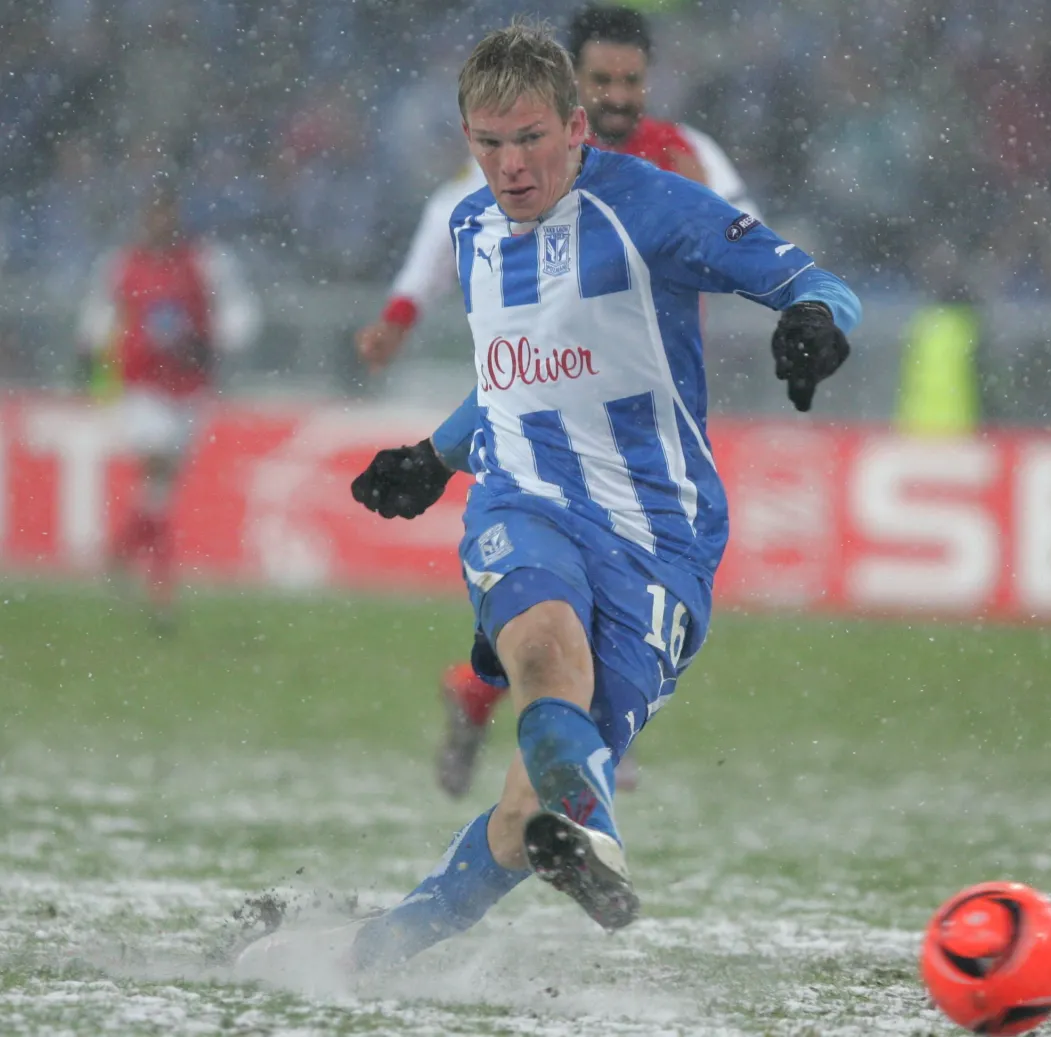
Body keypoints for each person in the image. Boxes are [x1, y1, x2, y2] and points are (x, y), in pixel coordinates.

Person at [344, 21, 857, 970]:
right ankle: (595, 834)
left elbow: (810, 279)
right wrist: (436, 457)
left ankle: (379, 946)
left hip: (661, 536)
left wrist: (819, 324)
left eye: (530, 138)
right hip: (524, 499)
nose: (509, 165)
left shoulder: (655, 209)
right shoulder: (469, 229)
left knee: (518, 817)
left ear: (578, 127)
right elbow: (515, 376)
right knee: (543, 648)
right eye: (488, 144)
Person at [355, 2, 761, 801]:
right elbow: (450, 214)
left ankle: (484, 697)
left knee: (590, 589)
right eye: (601, 79)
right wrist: (402, 311)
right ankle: (589, 738)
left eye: (631, 81)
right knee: (567, 581)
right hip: (552, 387)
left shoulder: (682, 156)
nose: (617, 95)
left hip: (645, 397)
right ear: (572, 88)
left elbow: (745, 232)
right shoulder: (531, 157)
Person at [77, 179, 261, 629]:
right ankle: (162, 592)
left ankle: (119, 555)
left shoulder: (204, 262)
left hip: (190, 389)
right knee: (156, 470)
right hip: (142, 387)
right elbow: (99, 318)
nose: (160, 221)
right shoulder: (122, 265)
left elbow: (240, 314)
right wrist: (93, 354)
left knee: (157, 493)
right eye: (153, 213)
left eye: (167, 212)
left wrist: (214, 341)